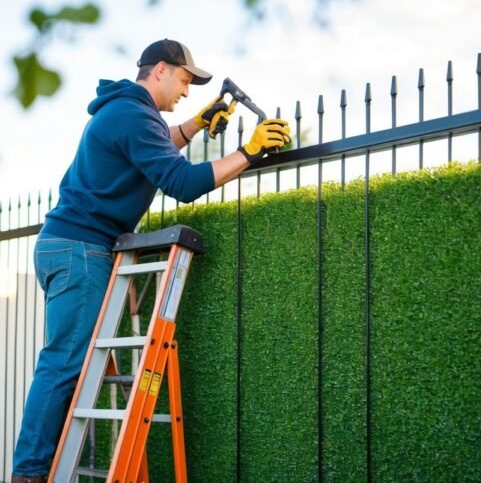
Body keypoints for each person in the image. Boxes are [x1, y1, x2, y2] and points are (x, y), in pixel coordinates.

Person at [11, 38, 291, 482]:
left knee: (67, 361)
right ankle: (28, 474)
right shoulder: (133, 115)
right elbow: (180, 180)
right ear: (160, 69)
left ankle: (36, 467)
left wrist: (196, 125)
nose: (186, 91)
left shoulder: (125, 112)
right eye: (184, 80)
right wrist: (249, 152)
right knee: (64, 362)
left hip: (68, 244)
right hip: (80, 249)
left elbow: (154, 150)